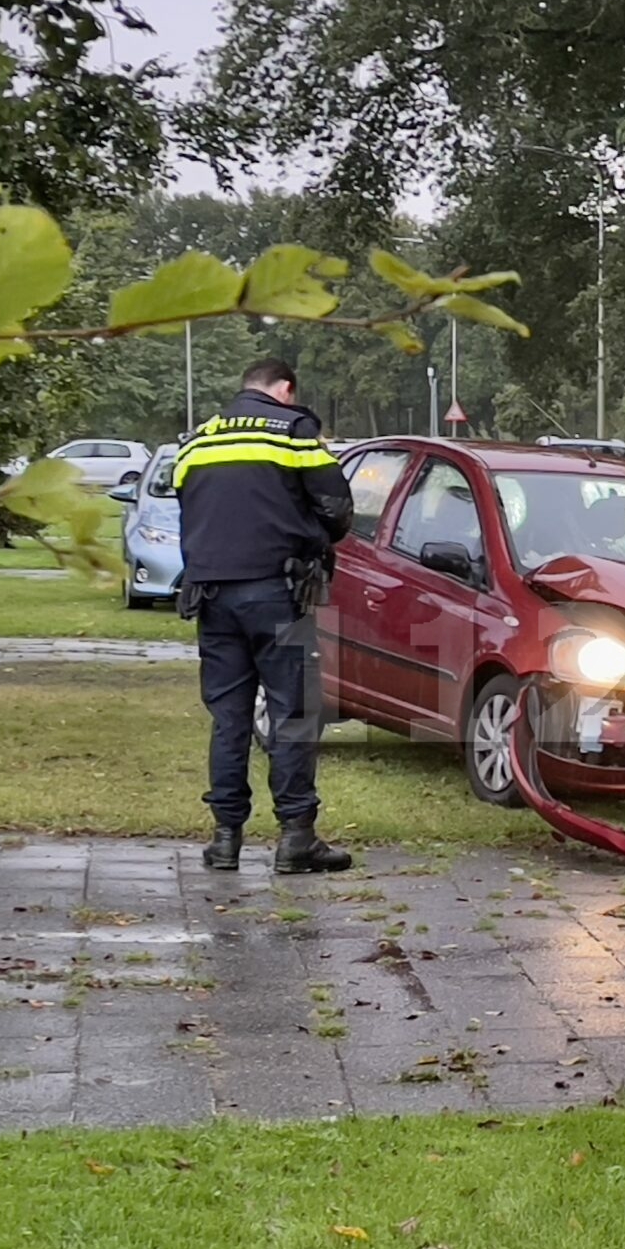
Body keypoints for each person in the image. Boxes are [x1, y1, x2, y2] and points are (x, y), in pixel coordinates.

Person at [174, 358, 356, 874]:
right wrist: (314, 538)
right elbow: (336, 507)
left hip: (211, 595)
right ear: (285, 389)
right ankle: (297, 838)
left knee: (229, 718)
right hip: (279, 592)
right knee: (292, 714)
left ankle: (225, 839)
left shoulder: (198, 440)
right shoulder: (294, 431)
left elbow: (190, 503)